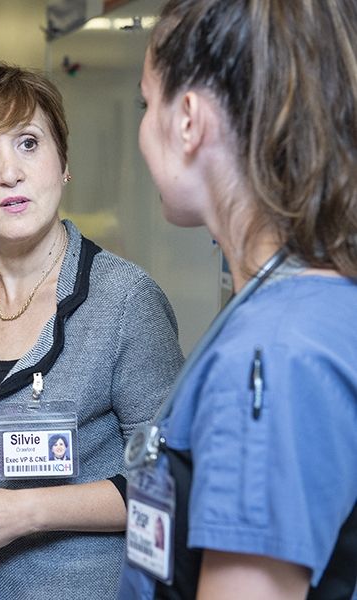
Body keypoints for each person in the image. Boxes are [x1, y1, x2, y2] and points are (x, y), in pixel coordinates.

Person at [0, 63, 184, 599]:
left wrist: (23, 512)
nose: (10, 173)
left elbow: (170, 481)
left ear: (63, 163)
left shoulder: (124, 301)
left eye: (28, 143)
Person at [121, 1, 357, 598]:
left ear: (188, 120)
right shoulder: (318, 303)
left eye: (147, 105)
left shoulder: (272, 357)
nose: (143, 131)